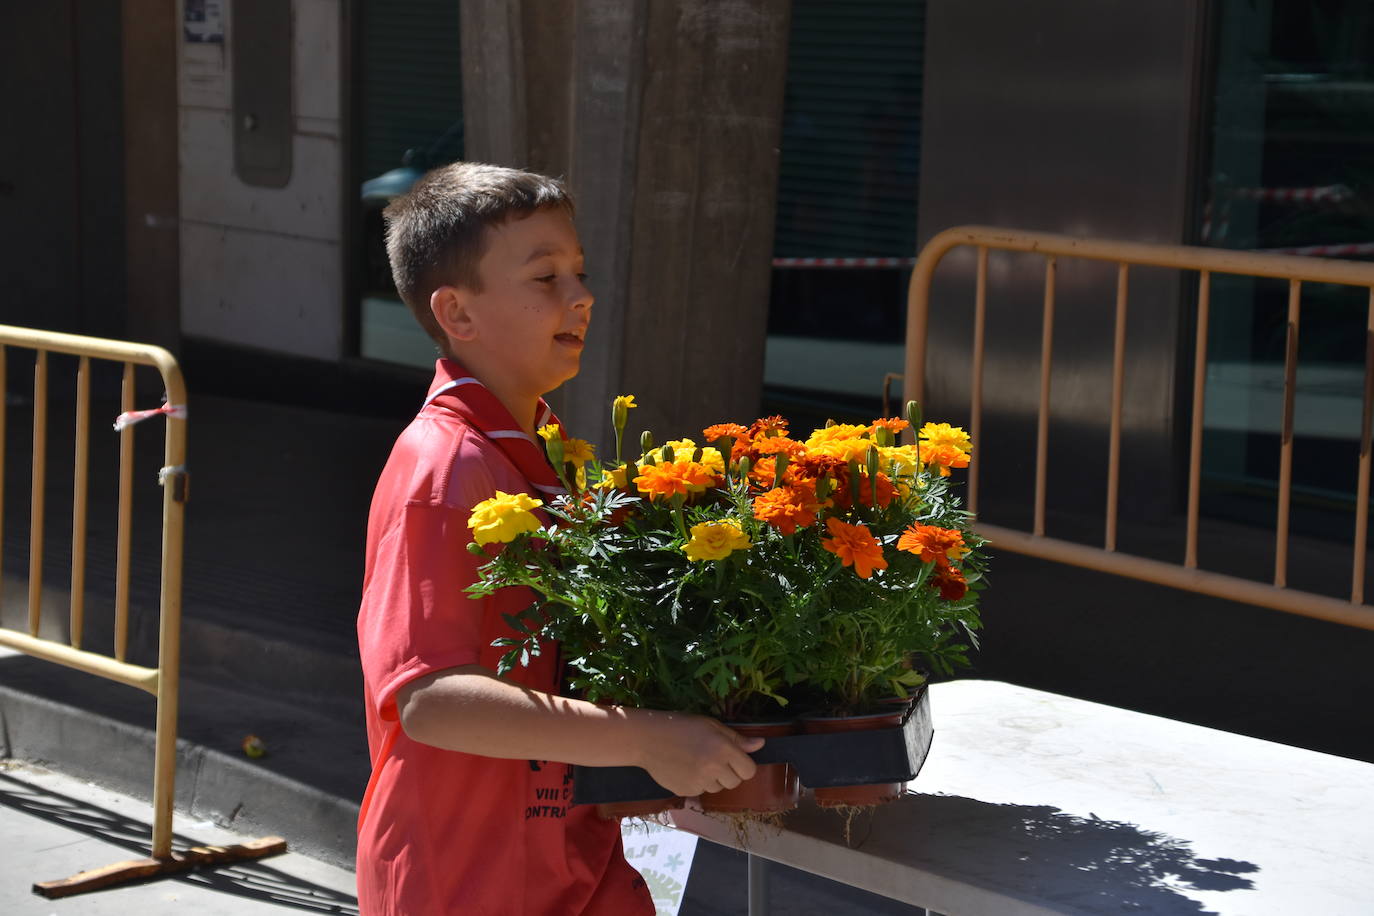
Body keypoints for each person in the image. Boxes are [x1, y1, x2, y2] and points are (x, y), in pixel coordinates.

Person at [355, 162, 763, 915]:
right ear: (458, 313)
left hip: (572, 862)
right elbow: (430, 700)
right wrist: (642, 737)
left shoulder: (538, 446)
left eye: (578, 271)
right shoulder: (444, 467)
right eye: (545, 278)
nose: (581, 296)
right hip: (466, 881)